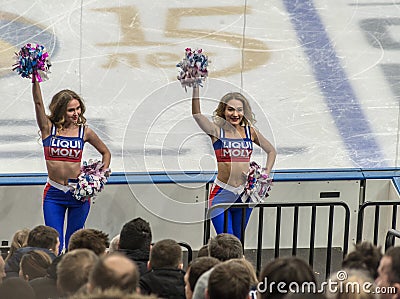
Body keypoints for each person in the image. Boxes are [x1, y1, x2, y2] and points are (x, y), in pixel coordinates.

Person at [32, 79, 111, 253]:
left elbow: (106, 153)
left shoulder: (85, 131)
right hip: (54, 194)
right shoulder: (48, 128)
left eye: (78, 108)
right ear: (61, 111)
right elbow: (38, 103)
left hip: (79, 195)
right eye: (71, 110)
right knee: (53, 244)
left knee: (75, 246)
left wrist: (98, 179)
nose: (76, 113)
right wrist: (34, 78)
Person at [191, 86, 276, 240]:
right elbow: (197, 115)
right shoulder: (216, 131)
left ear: (245, 112)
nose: (235, 114)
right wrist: (196, 87)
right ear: (223, 111)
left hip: (245, 195)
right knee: (226, 242)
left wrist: (265, 174)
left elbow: (271, 151)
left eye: (239, 110)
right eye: (230, 110)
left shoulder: (250, 132)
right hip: (221, 193)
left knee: (237, 242)